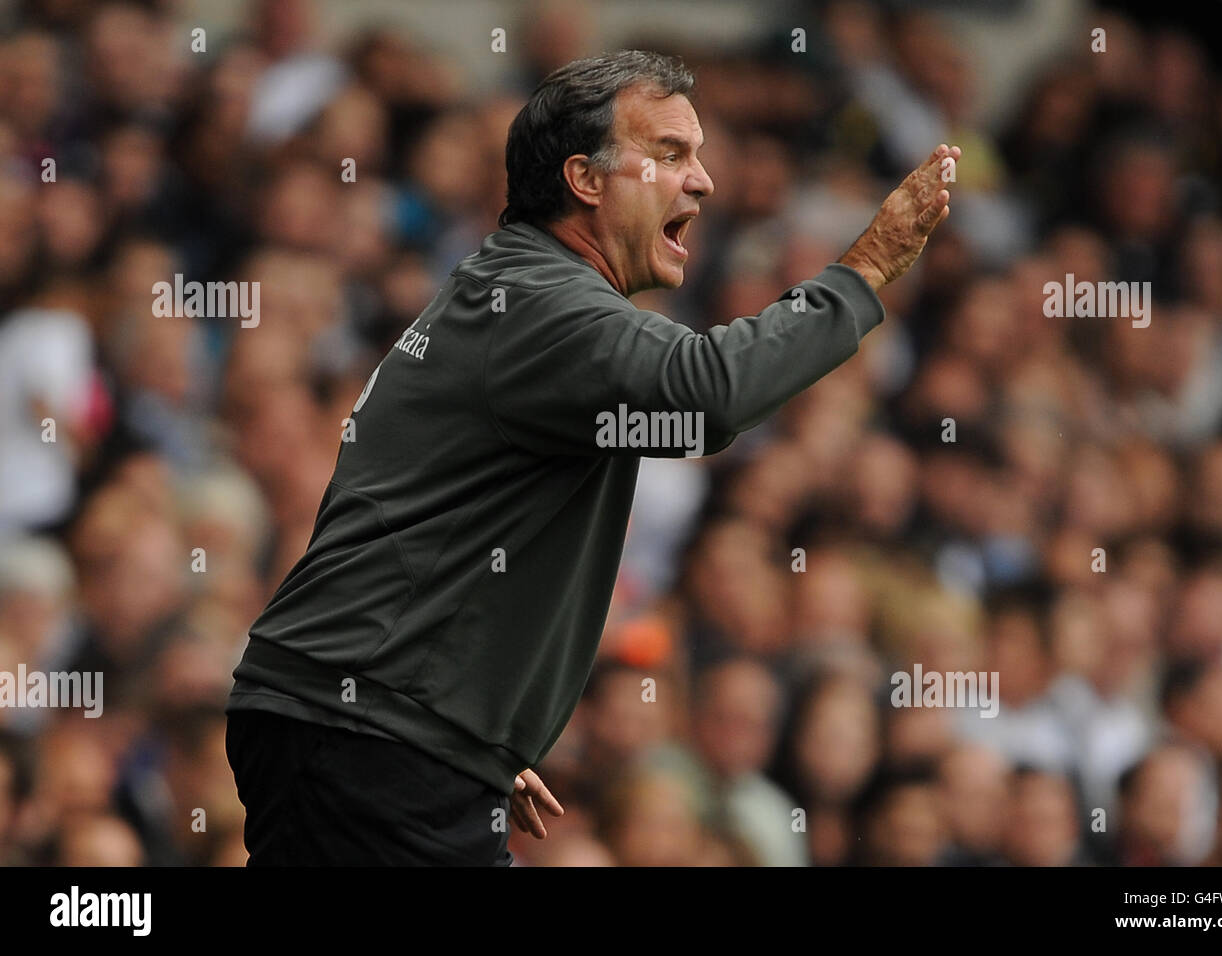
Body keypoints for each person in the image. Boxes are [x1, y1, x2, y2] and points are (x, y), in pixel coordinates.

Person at [224, 49, 958, 866]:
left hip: (374, 725)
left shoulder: (508, 294)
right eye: (673, 153)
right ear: (585, 178)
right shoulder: (543, 304)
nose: (705, 181)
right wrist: (865, 271)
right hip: (369, 733)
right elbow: (706, 397)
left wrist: (476, 728)